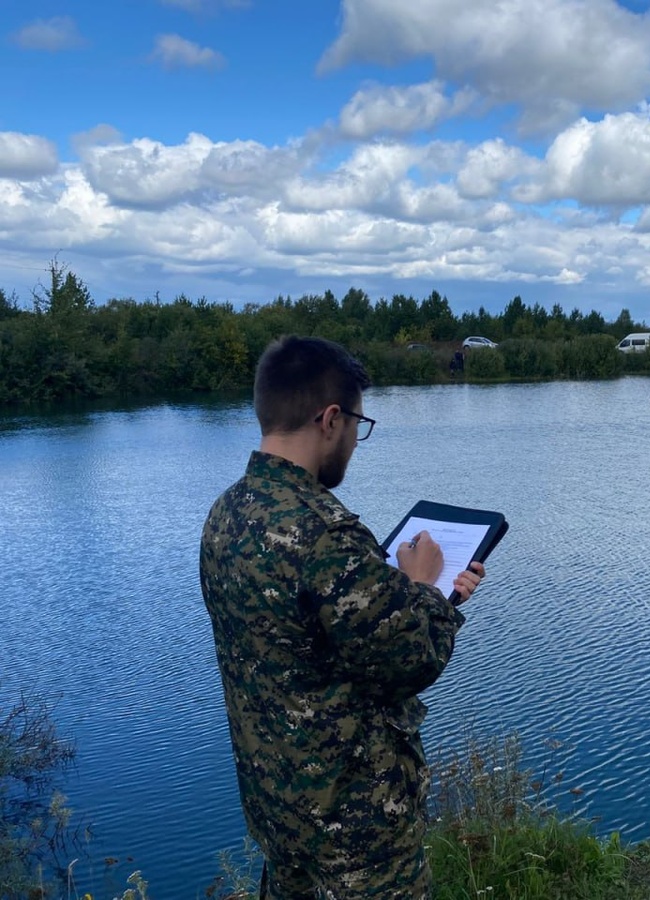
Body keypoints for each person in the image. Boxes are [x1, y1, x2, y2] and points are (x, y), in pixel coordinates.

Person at [199, 335, 484, 899]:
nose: (356, 441)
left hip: (280, 818)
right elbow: (412, 659)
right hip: (356, 837)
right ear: (330, 419)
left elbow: (310, 643)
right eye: (358, 424)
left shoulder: (227, 513)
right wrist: (425, 588)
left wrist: (394, 588)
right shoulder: (326, 534)